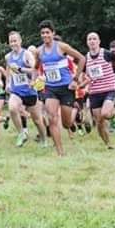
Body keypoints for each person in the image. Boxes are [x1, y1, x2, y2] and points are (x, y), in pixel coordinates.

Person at [37, 20, 86, 156]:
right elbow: (36, 67)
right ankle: (60, 153)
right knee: (52, 118)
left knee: (66, 123)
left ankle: (73, 122)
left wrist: (75, 79)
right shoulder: (39, 51)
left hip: (66, 87)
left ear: (53, 33)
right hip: (51, 88)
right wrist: (36, 78)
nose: (45, 35)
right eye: (42, 33)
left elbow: (82, 58)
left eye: (47, 32)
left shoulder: (62, 47)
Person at [83, 32, 115, 149]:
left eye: (94, 39)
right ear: (87, 43)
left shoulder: (106, 54)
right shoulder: (86, 58)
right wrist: (83, 83)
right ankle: (108, 144)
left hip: (109, 89)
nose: (92, 41)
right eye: (89, 39)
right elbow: (84, 75)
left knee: (105, 113)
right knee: (99, 122)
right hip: (94, 93)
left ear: (99, 42)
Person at [5, 31, 48, 148]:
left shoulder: (26, 54)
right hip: (16, 90)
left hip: (29, 90)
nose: (13, 43)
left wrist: (20, 69)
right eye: (11, 41)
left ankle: (44, 140)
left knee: (37, 120)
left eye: (15, 41)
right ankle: (21, 133)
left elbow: (35, 69)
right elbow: (8, 70)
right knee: (12, 108)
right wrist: (8, 83)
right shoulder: (8, 57)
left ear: (20, 41)